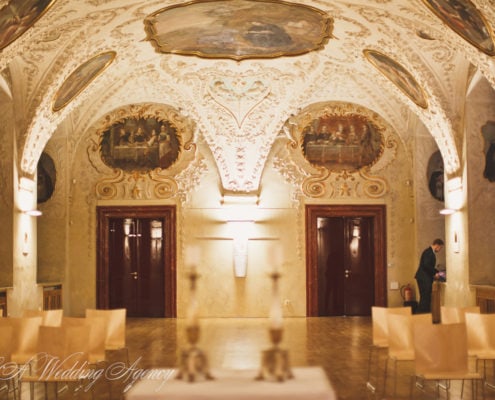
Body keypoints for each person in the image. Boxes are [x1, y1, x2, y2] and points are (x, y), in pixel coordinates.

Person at [415, 238, 444, 313]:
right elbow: (426, 265)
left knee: (424, 299)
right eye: (440, 248)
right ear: (437, 245)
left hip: (423, 277)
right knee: (425, 299)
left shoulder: (428, 251)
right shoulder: (429, 252)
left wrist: (436, 272)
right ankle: (423, 317)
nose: (440, 250)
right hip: (424, 278)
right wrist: (435, 273)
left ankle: (422, 317)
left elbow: (428, 266)